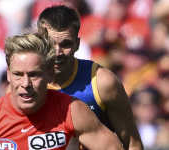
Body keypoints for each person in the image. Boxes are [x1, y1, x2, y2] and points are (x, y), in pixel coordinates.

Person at [0, 33, 124, 150]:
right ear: (8, 75)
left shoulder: (72, 111)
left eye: (34, 75)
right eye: (18, 74)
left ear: (50, 75)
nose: (25, 83)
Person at [37, 5, 143, 150]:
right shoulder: (26, 85)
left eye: (65, 44)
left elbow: (133, 144)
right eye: (50, 44)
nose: (57, 52)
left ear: (78, 44)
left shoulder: (101, 82)